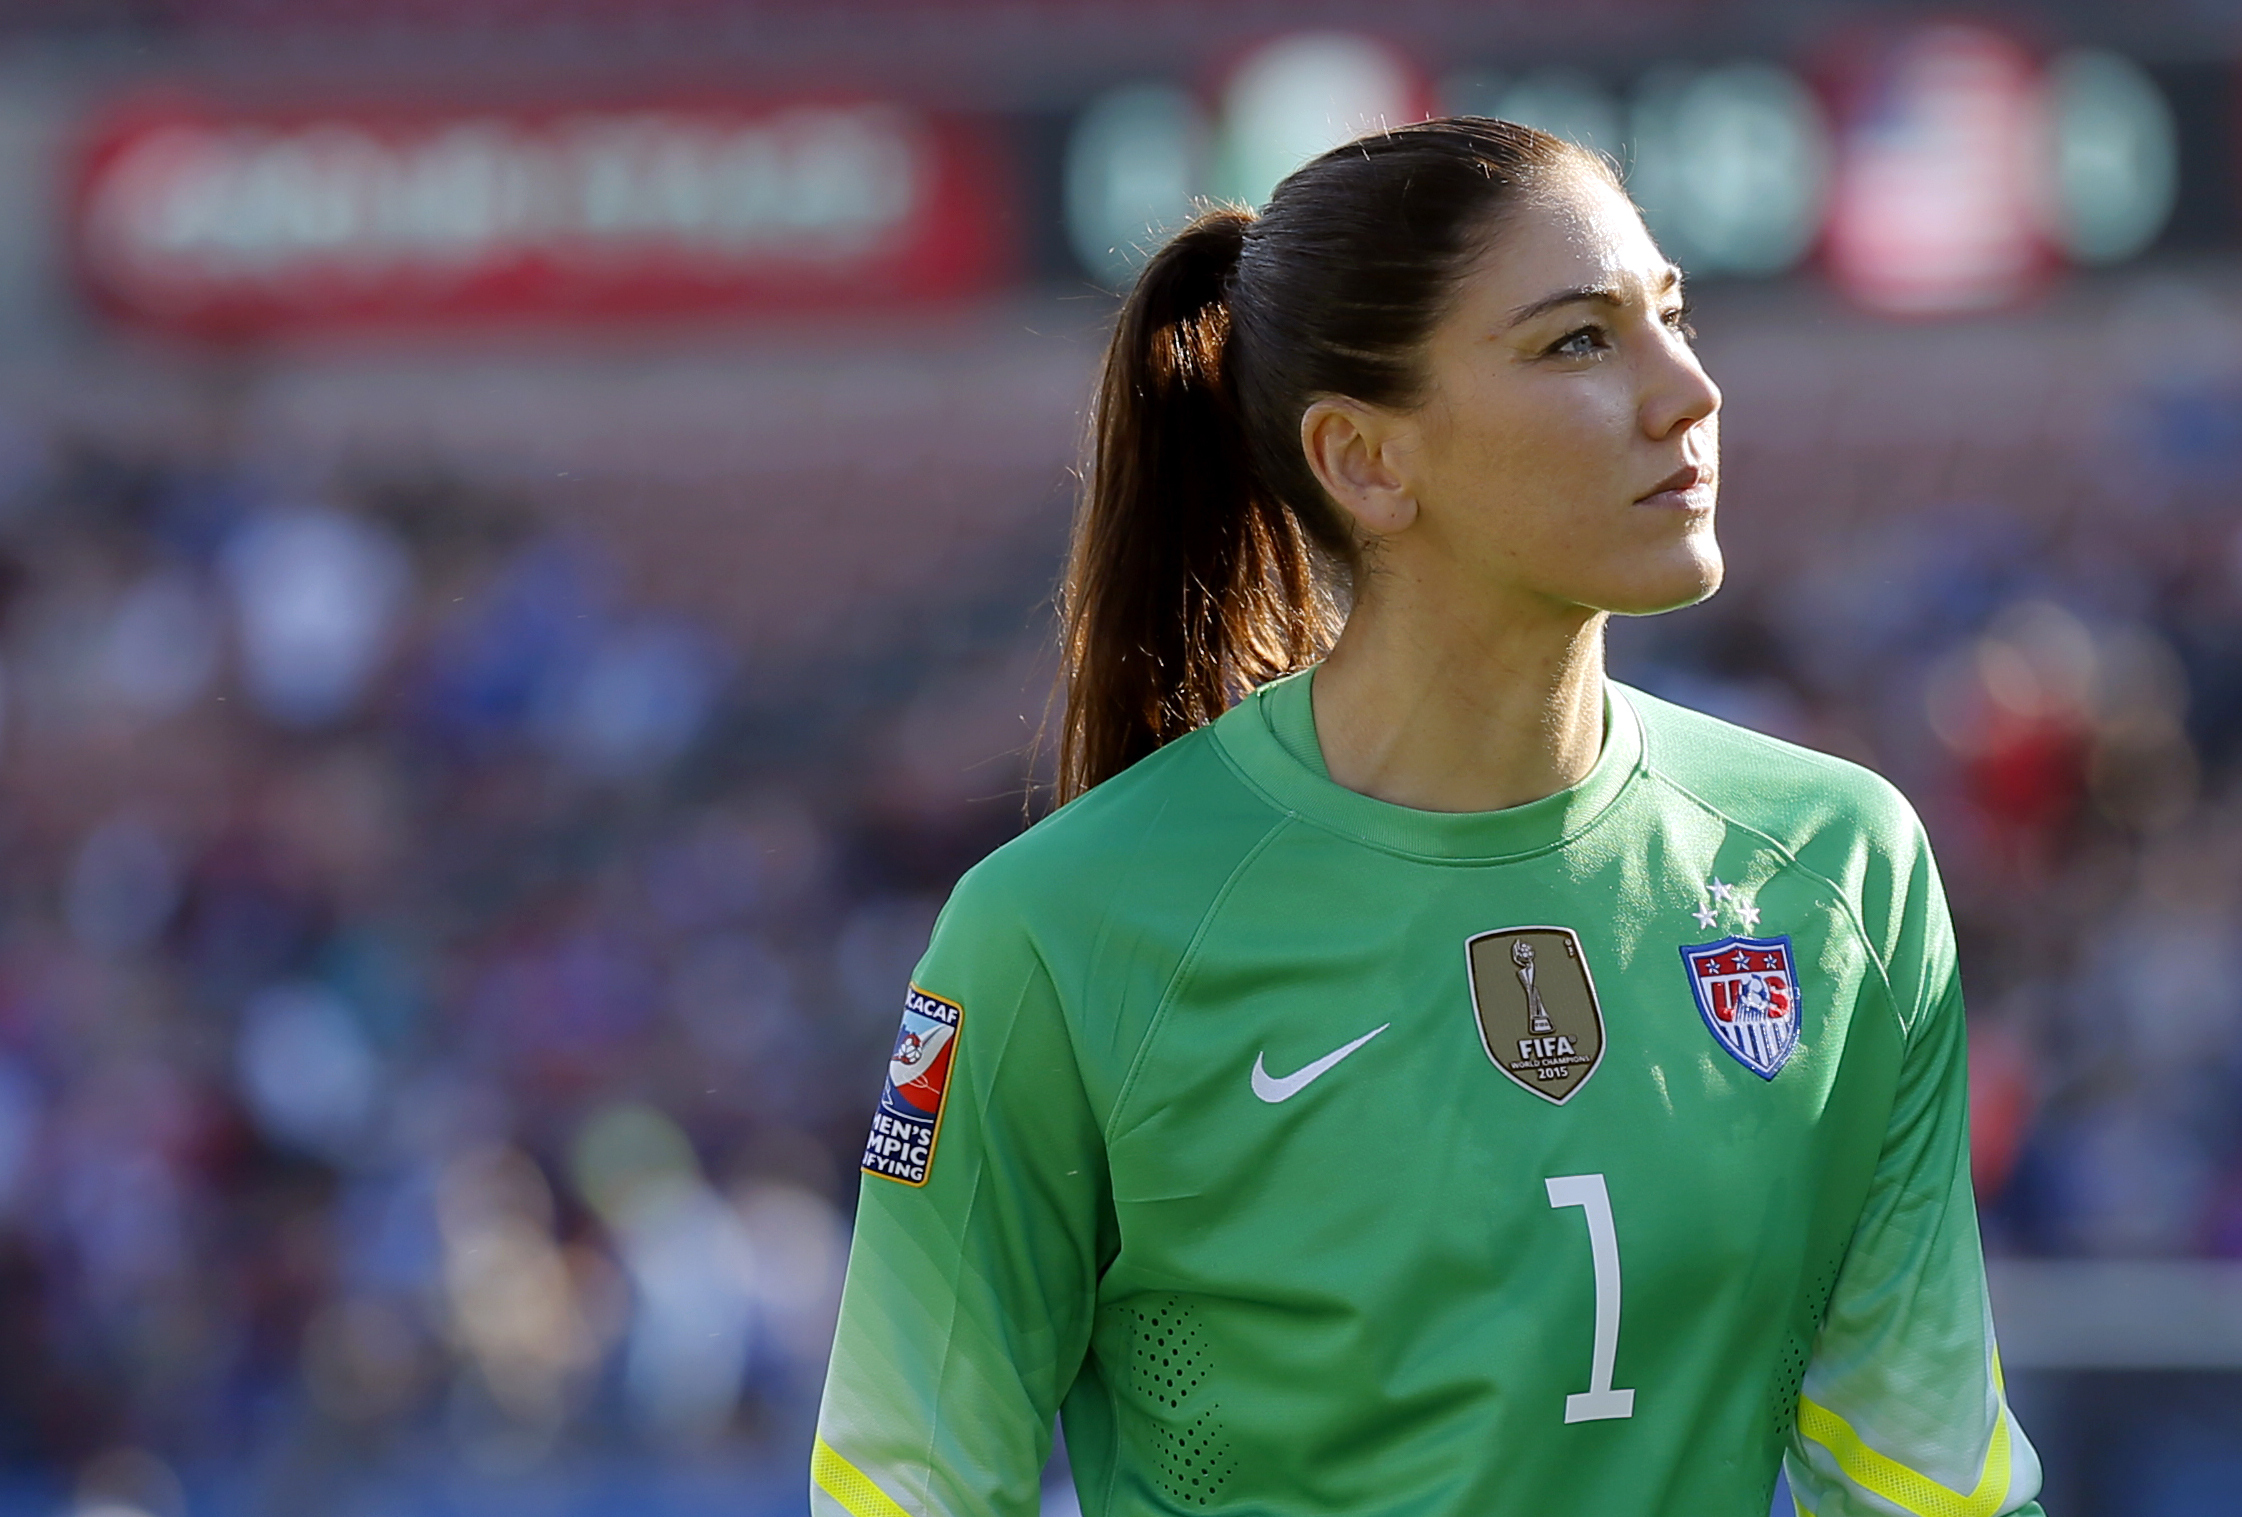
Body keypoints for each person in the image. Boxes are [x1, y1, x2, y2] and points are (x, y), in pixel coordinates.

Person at [812, 119, 2044, 1517]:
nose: (1686, 391)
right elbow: (903, 1482)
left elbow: (1928, 1469)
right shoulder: (1057, 927)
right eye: (1578, 342)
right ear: (1363, 459)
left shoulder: (1838, 870)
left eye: (1672, 318)